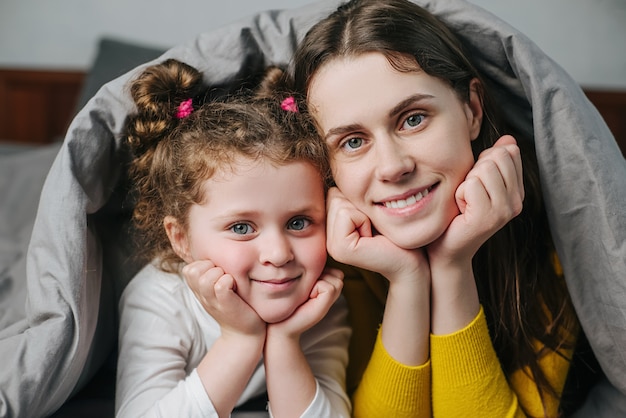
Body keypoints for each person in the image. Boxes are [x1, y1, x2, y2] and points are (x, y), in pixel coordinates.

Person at [283, 0, 594, 416]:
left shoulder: (552, 241)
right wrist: (407, 280)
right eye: (353, 142)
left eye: (413, 119)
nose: (393, 167)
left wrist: (451, 267)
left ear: (472, 110)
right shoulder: (333, 260)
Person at [115, 58, 351, 418]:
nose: (278, 254)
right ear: (181, 239)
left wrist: (286, 340)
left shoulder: (319, 297)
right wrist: (240, 339)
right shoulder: (159, 298)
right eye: (241, 228)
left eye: (300, 222)